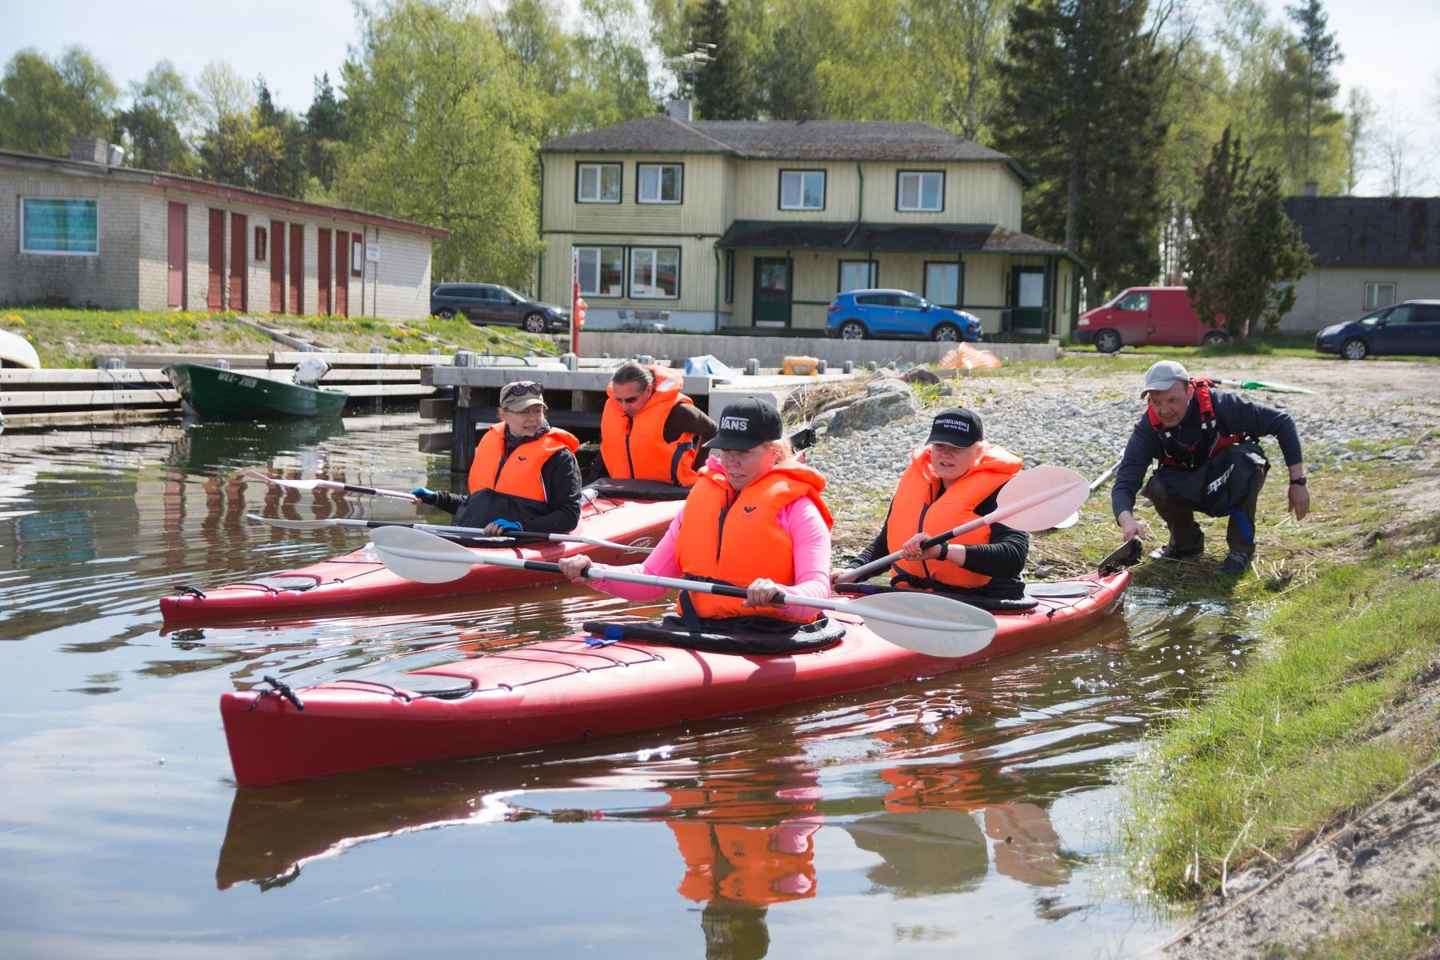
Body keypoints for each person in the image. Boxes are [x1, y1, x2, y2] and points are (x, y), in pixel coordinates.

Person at [558, 395, 832, 625]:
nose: (731, 463)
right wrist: (595, 572)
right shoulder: (701, 500)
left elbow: (817, 592)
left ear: (774, 451)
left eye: (744, 453)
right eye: (726, 451)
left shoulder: (799, 510)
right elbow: (651, 579)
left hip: (771, 634)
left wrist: (779, 592)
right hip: (699, 626)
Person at [1113, 360, 1309, 575]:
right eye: (1156, 402)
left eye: (1172, 400)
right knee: (1157, 486)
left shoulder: (1221, 404)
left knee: (1249, 463)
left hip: (1229, 476)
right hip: (1190, 481)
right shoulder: (1147, 429)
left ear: (1189, 391)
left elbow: (1282, 422)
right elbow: (1125, 482)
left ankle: (1241, 550)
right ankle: (1186, 544)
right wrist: (1127, 521)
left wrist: (1297, 482)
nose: (1164, 410)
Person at [838, 408, 1030, 602]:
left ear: (978, 451)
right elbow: (886, 543)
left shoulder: (1002, 491)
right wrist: (854, 570)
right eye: (939, 446)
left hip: (983, 601)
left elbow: (1013, 556)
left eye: (957, 447)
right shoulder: (918, 482)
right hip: (915, 596)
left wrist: (943, 551)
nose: (946, 455)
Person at [412, 379, 582, 535]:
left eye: (538, 411)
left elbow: (568, 517)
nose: (533, 419)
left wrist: (521, 527)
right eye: (524, 412)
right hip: (474, 537)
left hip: (521, 541)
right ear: (504, 414)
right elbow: (477, 505)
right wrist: (437, 499)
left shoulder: (559, 457)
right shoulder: (491, 441)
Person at [592, 361, 719, 486]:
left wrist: (697, 469)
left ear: (648, 390)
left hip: (668, 495)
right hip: (622, 494)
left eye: (631, 400)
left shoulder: (677, 412)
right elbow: (608, 447)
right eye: (619, 399)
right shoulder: (612, 409)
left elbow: (711, 429)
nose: (624, 407)